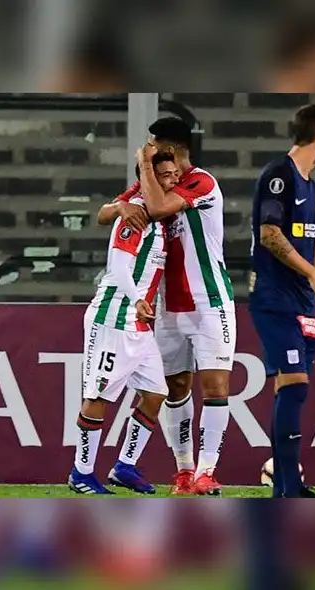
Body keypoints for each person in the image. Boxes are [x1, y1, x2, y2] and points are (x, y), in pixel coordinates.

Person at [100, 117, 236, 496]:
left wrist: (143, 169)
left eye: (153, 145)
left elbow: (157, 209)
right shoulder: (157, 180)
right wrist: (120, 208)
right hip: (168, 307)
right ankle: (184, 471)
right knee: (175, 387)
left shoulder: (200, 182)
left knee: (215, 384)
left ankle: (207, 472)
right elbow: (103, 213)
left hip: (210, 301)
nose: (149, 150)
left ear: (170, 149)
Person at [69, 152, 180, 495]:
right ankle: (81, 473)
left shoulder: (159, 213)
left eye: (175, 174)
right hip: (114, 316)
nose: (172, 181)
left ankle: (124, 466)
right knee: (99, 395)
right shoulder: (136, 211)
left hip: (138, 322)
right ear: (149, 178)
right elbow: (117, 267)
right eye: (165, 175)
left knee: (156, 392)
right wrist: (137, 300)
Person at [249, 104, 315, 498]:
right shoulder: (279, 176)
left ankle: (283, 488)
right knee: (295, 386)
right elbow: (270, 234)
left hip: (303, 301)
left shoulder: (309, 183)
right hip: (275, 299)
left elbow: (311, 238)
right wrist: (313, 276)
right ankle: (289, 487)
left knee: (289, 388)